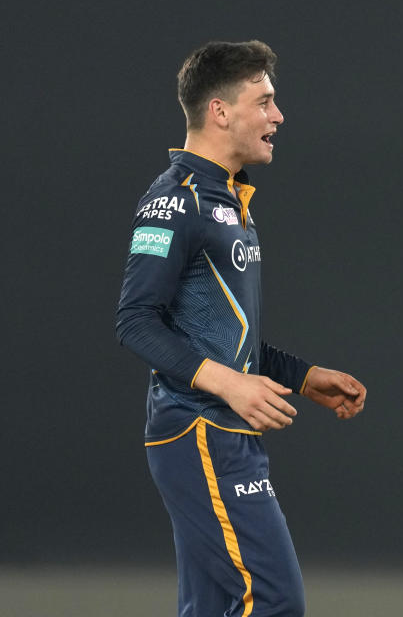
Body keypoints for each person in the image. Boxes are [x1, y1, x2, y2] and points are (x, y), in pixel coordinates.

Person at [116, 40, 367, 617]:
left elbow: (224, 336)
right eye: (265, 100)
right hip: (199, 431)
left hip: (218, 431)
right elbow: (134, 320)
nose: (278, 116)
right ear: (220, 112)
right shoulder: (175, 201)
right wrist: (229, 385)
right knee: (275, 600)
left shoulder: (229, 200)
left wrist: (303, 377)